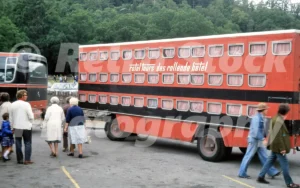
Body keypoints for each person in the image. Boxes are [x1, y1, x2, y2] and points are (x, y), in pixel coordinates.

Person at [257, 103, 299, 187]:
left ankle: (261, 176)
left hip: (275, 146)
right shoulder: (278, 120)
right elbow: (278, 136)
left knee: (270, 161)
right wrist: (282, 148)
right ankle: (289, 183)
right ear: (286, 112)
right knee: (285, 164)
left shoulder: (276, 117)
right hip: (278, 147)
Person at [238, 102, 280, 179]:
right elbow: (256, 132)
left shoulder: (260, 117)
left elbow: (260, 130)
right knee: (248, 156)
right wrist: (263, 139)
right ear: (263, 110)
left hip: (258, 140)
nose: (267, 111)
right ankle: (242, 173)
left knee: (264, 156)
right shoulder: (257, 118)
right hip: (254, 140)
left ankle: (272, 171)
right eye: (266, 109)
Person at [9, 90, 34, 165]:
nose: (27, 96)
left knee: (18, 142)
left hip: (17, 127)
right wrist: (31, 122)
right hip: (26, 127)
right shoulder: (26, 104)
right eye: (25, 95)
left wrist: (12, 127)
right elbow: (31, 116)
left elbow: (11, 118)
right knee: (27, 142)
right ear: (22, 96)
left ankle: (19, 159)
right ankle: (27, 159)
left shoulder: (12, 104)